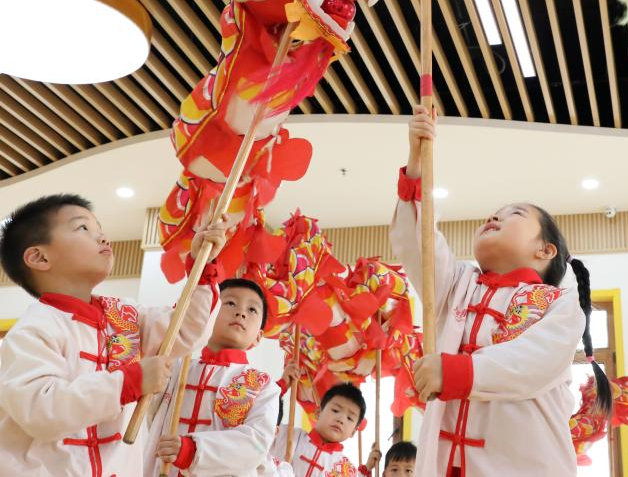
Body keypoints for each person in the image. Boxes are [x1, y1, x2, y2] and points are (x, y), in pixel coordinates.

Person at [391, 105, 611, 476]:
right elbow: (420, 246)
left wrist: (456, 372)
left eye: (515, 214)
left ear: (545, 250)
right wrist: (416, 164)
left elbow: (533, 360)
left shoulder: (559, 303)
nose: (494, 216)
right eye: (494, 212)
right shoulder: (459, 285)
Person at [0, 193, 226, 476]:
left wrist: (202, 267)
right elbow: (41, 410)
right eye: (83, 228)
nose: (103, 237)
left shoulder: (124, 315)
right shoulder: (31, 331)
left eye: (100, 229)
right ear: (40, 257)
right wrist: (128, 382)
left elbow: (185, 330)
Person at [147, 278, 280, 477]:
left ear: (259, 336)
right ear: (209, 314)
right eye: (230, 303)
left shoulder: (263, 385)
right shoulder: (176, 366)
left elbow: (256, 443)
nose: (241, 313)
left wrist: (192, 451)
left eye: (252, 310)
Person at [272, 381, 379, 477]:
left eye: (349, 418)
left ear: (353, 432)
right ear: (318, 413)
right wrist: (283, 383)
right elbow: (266, 416)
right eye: (335, 410)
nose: (341, 419)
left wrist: (368, 467)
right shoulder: (289, 435)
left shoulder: (347, 470)